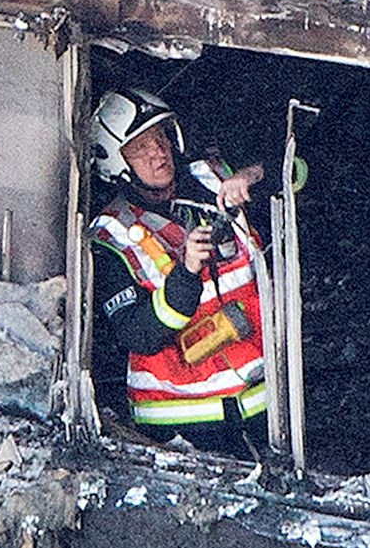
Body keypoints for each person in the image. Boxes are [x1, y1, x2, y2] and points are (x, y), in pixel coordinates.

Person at [87, 87, 270, 457]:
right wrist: (186, 273)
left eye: (160, 137)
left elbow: (294, 167)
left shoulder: (212, 180)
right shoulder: (110, 235)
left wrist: (250, 176)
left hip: (263, 404)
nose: (157, 152)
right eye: (139, 147)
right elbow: (138, 334)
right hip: (182, 425)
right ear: (115, 161)